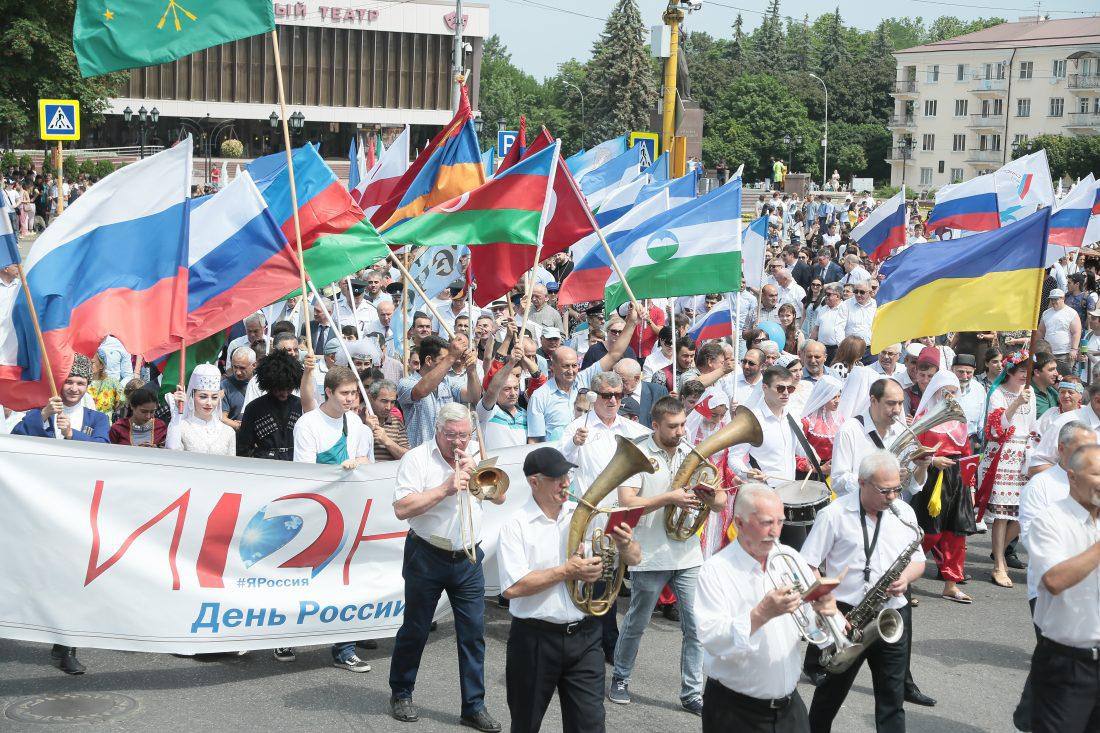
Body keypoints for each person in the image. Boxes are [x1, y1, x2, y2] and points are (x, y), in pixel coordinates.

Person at [498, 446, 641, 733]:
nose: (565, 482)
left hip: (586, 635)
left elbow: (635, 559)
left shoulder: (586, 515)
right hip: (535, 639)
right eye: (556, 478)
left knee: (590, 726)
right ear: (534, 482)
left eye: (566, 475)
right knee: (526, 725)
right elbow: (512, 588)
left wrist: (625, 546)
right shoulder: (515, 525)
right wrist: (567, 571)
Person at [389, 403, 505, 731]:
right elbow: (402, 509)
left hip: (467, 557)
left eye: (464, 435)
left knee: (473, 634)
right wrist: (446, 488)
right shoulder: (417, 459)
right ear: (438, 431)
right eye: (452, 435)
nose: (458, 442)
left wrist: (477, 469)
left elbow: (499, 498)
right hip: (427, 554)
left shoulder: (473, 455)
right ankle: (401, 691)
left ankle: (474, 705)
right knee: (416, 628)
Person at [609, 397, 728, 716]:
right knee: (637, 621)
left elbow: (719, 503)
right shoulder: (639, 451)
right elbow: (627, 502)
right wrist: (669, 498)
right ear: (656, 425)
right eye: (673, 426)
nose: (680, 432)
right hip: (649, 553)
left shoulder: (693, 452)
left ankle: (692, 692)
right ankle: (620, 677)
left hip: (688, 554)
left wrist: (711, 497)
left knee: (696, 626)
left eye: (682, 425)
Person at [696, 484, 840, 733]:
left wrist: (824, 612)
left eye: (780, 522)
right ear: (739, 523)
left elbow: (812, 631)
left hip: (789, 710)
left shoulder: (790, 558)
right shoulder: (716, 569)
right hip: (735, 711)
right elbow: (712, 640)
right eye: (766, 523)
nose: (775, 532)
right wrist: (761, 614)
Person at [801, 450, 927, 733]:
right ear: (862, 483)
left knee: (892, 699)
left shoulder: (903, 512)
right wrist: (828, 605)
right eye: (885, 490)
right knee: (830, 694)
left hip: (892, 612)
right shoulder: (833, 514)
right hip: (847, 615)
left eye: (897, 488)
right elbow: (807, 565)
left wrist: (906, 578)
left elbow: (919, 560)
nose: (893, 497)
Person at [277, 366, 375, 668]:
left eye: (353, 393)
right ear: (328, 393)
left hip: (348, 509)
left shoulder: (357, 424)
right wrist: (339, 468)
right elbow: (304, 471)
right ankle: (284, 637)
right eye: (344, 394)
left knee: (345, 579)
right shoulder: (308, 424)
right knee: (302, 578)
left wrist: (358, 461)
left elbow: (367, 464)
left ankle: (344, 647)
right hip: (315, 511)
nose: (350, 399)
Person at [1026, 443, 1100, 733]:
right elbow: (1054, 580)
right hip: (1066, 664)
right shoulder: (1051, 520)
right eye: (1096, 474)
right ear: (1072, 476)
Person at [909, 372, 977, 603]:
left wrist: (970, 485)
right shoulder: (926, 417)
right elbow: (912, 449)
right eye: (944, 389)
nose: (949, 394)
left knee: (956, 534)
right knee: (928, 533)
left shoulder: (960, 420)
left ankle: (951, 584)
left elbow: (966, 453)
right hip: (931, 478)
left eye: (953, 390)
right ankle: (903, 580)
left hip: (956, 480)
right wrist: (934, 459)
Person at [528, 306, 641, 444]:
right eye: (565, 366)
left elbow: (614, 354)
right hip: (558, 460)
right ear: (552, 367)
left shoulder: (584, 378)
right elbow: (535, 440)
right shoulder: (540, 397)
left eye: (574, 365)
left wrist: (632, 323)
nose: (571, 371)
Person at [976, 350, 1037, 589]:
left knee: (1024, 513)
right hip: (1002, 456)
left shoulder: (1029, 394)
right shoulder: (998, 394)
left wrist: (1032, 451)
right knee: (1001, 514)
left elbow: (1031, 426)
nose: (1025, 376)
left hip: (1022, 455)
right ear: (1010, 371)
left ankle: (998, 551)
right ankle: (999, 564)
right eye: (1021, 371)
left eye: (1028, 372)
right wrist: (1015, 405)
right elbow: (995, 427)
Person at [397, 333, 482, 449]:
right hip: (420, 456)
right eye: (444, 359)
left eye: (449, 359)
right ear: (428, 360)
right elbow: (421, 391)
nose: (449, 364)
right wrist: (451, 357)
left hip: (445, 455)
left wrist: (471, 370)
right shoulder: (405, 383)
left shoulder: (447, 382)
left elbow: (473, 397)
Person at [236, 351, 305, 461]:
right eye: (280, 389)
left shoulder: (301, 405)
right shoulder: (254, 408)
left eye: (289, 388)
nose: (285, 393)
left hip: (295, 462)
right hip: (264, 466)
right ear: (270, 385)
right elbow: (244, 447)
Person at [166, 364, 237, 455]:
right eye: (203, 397)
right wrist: (177, 412)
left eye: (214, 397)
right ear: (192, 396)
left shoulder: (228, 431)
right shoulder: (181, 426)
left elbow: (230, 465)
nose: (209, 403)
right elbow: (172, 450)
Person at [801, 375, 845, 480]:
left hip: (834, 472)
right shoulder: (807, 422)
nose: (838, 401)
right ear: (823, 398)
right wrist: (818, 468)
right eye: (833, 397)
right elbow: (796, 452)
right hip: (812, 473)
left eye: (839, 396)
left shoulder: (840, 419)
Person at [1037, 289, 1081, 376]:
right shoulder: (1046, 313)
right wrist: (1035, 346)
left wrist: (1074, 349)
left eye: (1056, 299)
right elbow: (1041, 331)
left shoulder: (1071, 313)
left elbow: (1076, 332)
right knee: (1049, 377)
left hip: (1065, 353)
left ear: (1063, 298)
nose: (1053, 301)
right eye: (1052, 299)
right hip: (1048, 353)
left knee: (1064, 377)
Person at [366, 379, 409, 461]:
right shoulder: (358, 420)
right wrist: (366, 430)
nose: (388, 407)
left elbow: (407, 457)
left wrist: (386, 441)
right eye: (384, 401)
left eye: (392, 402)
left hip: (391, 473)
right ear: (371, 398)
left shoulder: (397, 422)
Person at [221, 346, 256, 429]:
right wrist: (239, 426)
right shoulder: (224, 386)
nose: (238, 372)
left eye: (242, 368)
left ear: (254, 365)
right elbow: (222, 417)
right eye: (235, 367)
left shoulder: (261, 384)